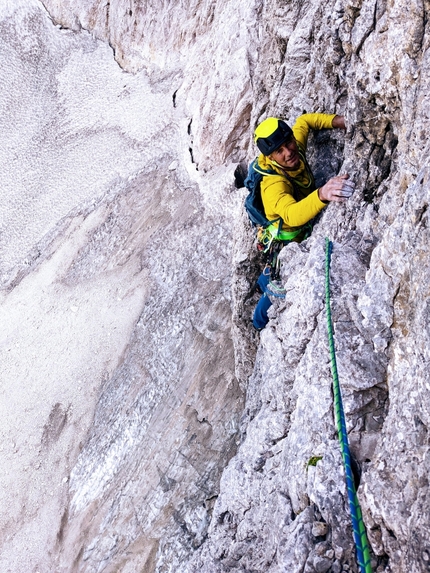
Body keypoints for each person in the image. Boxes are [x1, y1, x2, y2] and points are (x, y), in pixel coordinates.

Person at [252, 112, 355, 330]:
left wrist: (339, 121)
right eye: (279, 151)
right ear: (270, 157)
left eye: (288, 143)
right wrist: (322, 194)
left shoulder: (292, 148)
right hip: (287, 243)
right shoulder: (273, 186)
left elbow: (305, 121)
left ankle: (263, 282)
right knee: (276, 292)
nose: (289, 152)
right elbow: (291, 215)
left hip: (292, 233)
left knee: (270, 280)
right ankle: (258, 322)